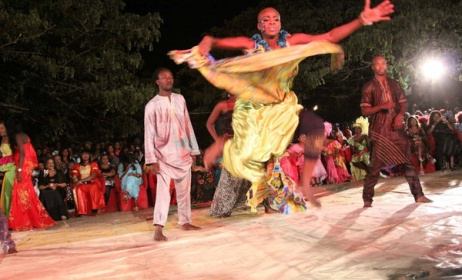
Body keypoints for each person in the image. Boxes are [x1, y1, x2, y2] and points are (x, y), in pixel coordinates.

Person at [170, 1, 394, 211]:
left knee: (316, 126)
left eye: (275, 19)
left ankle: (305, 183)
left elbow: (329, 35)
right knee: (247, 153)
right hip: (255, 111)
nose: (271, 23)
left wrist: (362, 19)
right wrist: (208, 41)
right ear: (259, 26)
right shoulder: (252, 45)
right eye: (266, 20)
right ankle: (224, 151)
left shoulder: (291, 42)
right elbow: (218, 42)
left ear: (280, 24)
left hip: (282, 106)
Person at [360, 55, 432, 207]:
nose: (381, 67)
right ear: (373, 67)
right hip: (379, 131)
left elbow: (403, 103)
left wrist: (400, 115)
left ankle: (418, 195)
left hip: (396, 129)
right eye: (377, 64)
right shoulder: (369, 87)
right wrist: (381, 106)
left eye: (383, 64)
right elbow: (364, 111)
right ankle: (367, 199)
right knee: (374, 167)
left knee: (408, 162)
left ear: (386, 65)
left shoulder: (395, 84)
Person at [144, 67, 201, 242]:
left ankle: (185, 221)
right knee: (163, 193)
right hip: (163, 156)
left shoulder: (180, 99)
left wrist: (193, 149)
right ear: (157, 82)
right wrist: (151, 160)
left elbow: (187, 123)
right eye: (164, 77)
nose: (168, 79)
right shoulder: (152, 105)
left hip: (182, 152)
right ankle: (158, 228)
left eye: (170, 77)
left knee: (184, 190)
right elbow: (149, 134)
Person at [6, 120, 57, 231]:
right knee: (27, 192)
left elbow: (23, 153)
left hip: (23, 166)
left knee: (19, 191)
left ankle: (23, 220)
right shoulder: (24, 135)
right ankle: (32, 218)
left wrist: (19, 170)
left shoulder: (18, 136)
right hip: (27, 165)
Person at [207, 94, 251, 218]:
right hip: (230, 145)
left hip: (245, 143)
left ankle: (266, 203)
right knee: (230, 177)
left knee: (256, 171)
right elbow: (209, 124)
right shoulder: (222, 105)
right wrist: (218, 141)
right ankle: (223, 209)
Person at [71, 150, 106, 216]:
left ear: (89, 155)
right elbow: (74, 176)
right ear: (80, 156)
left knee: (93, 187)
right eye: (83, 154)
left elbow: (93, 175)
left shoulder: (93, 164)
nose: (85, 156)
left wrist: (81, 181)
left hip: (92, 182)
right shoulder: (77, 166)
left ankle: (97, 208)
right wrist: (75, 180)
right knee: (78, 189)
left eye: (87, 154)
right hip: (82, 184)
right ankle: (82, 211)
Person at [347, 117, 370, 181]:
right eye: (355, 128)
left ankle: (367, 175)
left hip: (366, 154)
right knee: (353, 160)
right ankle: (359, 177)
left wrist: (364, 151)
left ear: (361, 129)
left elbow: (369, 147)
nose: (357, 129)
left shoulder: (365, 136)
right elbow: (353, 150)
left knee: (364, 158)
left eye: (358, 128)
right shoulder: (352, 139)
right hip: (357, 154)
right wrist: (357, 152)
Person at [0, 121, 15, 217]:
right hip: (6, 168)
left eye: (2, 128)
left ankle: (11, 216)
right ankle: (8, 217)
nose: (0, 130)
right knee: (6, 192)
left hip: (12, 167)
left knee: (9, 192)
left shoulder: (10, 138)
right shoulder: (2, 139)